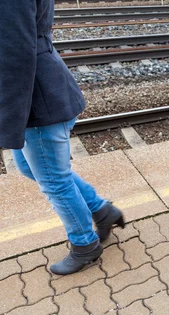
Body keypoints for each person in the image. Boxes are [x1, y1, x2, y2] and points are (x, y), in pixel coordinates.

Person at [0, 0, 124, 275]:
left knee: (54, 182)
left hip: (36, 99)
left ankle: (85, 246)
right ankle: (101, 211)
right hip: (39, 90)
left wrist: (8, 118)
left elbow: (15, 54)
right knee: (33, 169)